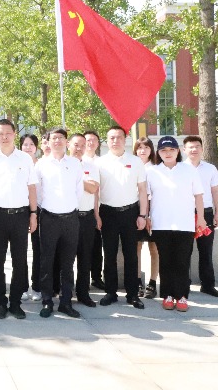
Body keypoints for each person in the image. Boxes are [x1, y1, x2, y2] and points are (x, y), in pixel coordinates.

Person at [0, 119, 37, 319]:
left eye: (8, 133)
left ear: (14, 134)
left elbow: (31, 187)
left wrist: (33, 214)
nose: (4, 137)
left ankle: (15, 302)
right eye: (0, 133)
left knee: (20, 261)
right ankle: (0, 302)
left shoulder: (25, 159)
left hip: (20, 216)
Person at [147, 136, 204, 312]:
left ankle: (182, 296)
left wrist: (201, 218)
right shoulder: (152, 171)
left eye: (171, 150)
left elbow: (199, 195)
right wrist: (146, 216)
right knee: (165, 261)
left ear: (178, 151)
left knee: (182, 261)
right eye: (163, 150)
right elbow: (146, 197)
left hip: (184, 224)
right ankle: (167, 295)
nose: (168, 153)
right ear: (158, 153)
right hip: (160, 223)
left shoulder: (189, 170)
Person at [95, 126, 147, 310]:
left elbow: (142, 190)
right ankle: (110, 292)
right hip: (107, 213)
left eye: (118, 137)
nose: (115, 141)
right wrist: (96, 215)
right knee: (109, 255)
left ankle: (132, 294)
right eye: (111, 138)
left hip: (130, 213)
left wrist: (142, 215)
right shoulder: (100, 163)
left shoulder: (135, 161)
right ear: (107, 141)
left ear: (125, 140)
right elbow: (95, 192)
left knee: (131, 255)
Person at [35, 128, 83, 318]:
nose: (57, 141)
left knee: (68, 263)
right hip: (49, 218)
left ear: (66, 142)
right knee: (47, 261)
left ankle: (66, 302)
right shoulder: (41, 164)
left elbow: (79, 190)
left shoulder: (75, 163)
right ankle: (47, 301)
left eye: (61, 138)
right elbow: (38, 193)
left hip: (71, 218)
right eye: (53, 138)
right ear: (48, 142)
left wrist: (69, 207)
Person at [182, 135, 218, 297]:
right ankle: (184, 284)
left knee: (206, 250)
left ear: (202, 148)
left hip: (207, 213)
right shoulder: (179, 168)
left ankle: (208, 285)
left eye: (197, 146)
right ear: (184, 150)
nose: (194, 149)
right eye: (190, 147)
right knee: (184, 250)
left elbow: (215, 191)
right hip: (185, 213)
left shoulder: (210, 169)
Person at [68, 133, 100, 308]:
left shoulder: (91, 166)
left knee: (85, 257)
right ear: (68, 145)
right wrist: (84, 183)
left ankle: (83, 293)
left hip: (86, 217)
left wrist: (75, 182)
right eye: (76, 145)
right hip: (68, 217)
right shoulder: (63, 165)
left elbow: (94, 189)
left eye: (82, 145)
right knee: (66, 258)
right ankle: (66, 293)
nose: (79, 148)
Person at [133, 137, 159, 299]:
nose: (142, 150)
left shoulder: (156, 169)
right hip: (134, 210)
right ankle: (137, 282)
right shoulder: (131, 166)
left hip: (154, 211)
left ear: (151, 150)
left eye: (146, 147)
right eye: (139, 147)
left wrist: (148, 215)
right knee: (136, 247)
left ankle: (152, 282)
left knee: (154, 248)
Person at [20, 133, 41, 302]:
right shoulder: (17, 163)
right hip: (20, 209)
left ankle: (36, 287)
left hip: (38, 210)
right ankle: (22, 286)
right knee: (20, 251)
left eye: (31, 144)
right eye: (25, 144)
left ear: (36, 147)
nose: (28, 147)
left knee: (38, 249)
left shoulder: (41, 165)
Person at [83, 130, 105, 291]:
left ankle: (96, 277)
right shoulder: (78, 160)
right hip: (85, 208)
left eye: (93, 140)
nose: (90, 143)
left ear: (98, 143)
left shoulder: (102, 162)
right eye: (87, 140)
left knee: (97, 246)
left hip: (102, 207)